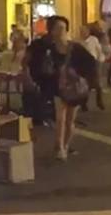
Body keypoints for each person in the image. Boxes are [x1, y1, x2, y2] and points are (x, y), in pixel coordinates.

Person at [25, 16, 96, 159]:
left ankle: (66, 144)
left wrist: (81, 76)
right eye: (57, 28)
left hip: (74, 88)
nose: (61, 31)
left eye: (63, 28)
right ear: (51, 30)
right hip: (56, 87)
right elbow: (35, 63)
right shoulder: (48, 49)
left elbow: (90, 63)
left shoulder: (75, 47)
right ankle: (60, 147)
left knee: (70, 120)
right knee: (60, 118)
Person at [80, 23, 105, 111]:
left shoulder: (93, 40)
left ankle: (99, 102)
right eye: (81, 31)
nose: (82, 33)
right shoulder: (78, 41)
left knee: (98, 84)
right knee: (85, 85)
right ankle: (83, 103)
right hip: (83, 65)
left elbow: (99, 50)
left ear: (88, 31)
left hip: (94, 63)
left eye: (84, 31)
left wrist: (100, 60)